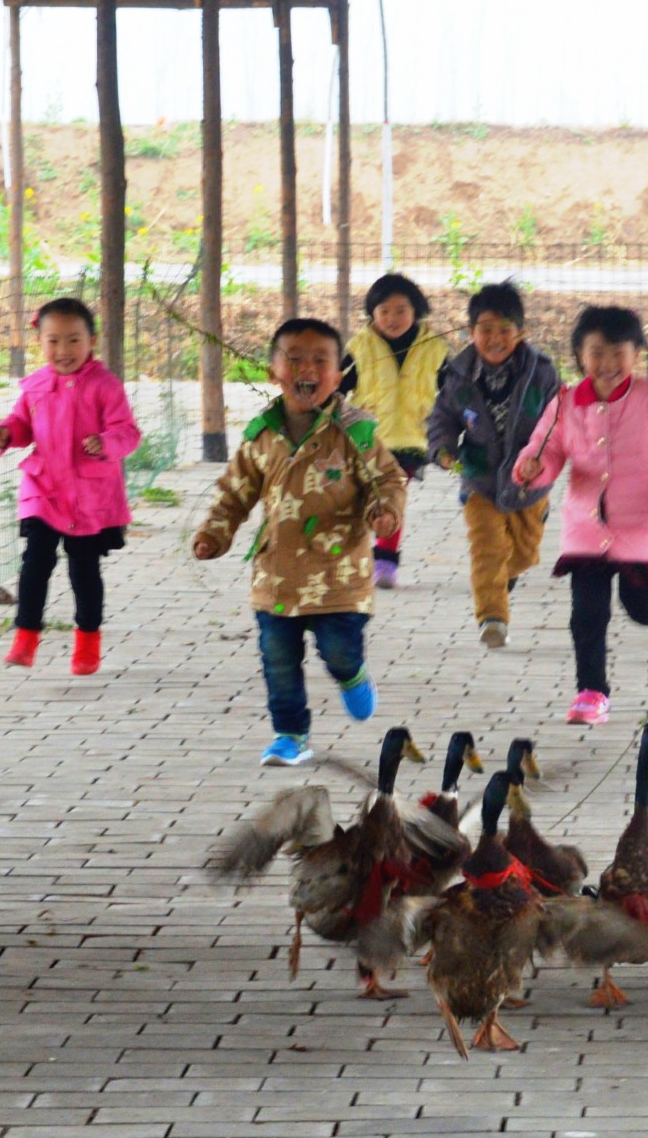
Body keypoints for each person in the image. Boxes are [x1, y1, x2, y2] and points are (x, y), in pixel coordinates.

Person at [191, 317, 408, 767]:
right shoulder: (261, 434)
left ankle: (353, 677)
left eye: (320, 360)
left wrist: (384, 512)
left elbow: (386, 479)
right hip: (277, 579)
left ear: (338, 375)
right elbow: (236, 491)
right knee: (278, 662)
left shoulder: (355, 431)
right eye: (294, 359)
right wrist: (215, 532)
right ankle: (290, 735)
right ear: (274, 372)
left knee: (339, 651)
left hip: (339, 579)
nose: (306, 368)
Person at [513, 305, 648, 727]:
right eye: (596, 354)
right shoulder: (565, 402)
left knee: (646, 611)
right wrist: (531, 467)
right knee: (587, 614)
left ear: (636, 353)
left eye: (617, 354)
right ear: (579, 356)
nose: (607, 364)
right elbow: (546, 448)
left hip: (644, 528)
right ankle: (591, 691)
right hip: (586, 529)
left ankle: (645, 594)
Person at [0, 297, 142, 676]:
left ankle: (88, 641)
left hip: (90, 496)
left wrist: (107, 443)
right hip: (44, 487)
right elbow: (22, 423)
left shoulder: (105, 386)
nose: (63, 350)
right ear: (39, 341)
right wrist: (6, 432)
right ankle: (25, 636)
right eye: (53, 341)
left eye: (74, 340)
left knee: (83, 569)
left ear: (93, 341)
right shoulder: (36, 385)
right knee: (35, 562)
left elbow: (128, 433)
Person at [426, 280, 562, 650]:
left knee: (522, 554)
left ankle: (504, 575)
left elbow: (559, 421)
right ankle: (493, 618)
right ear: (471, 333)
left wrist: (543, 458)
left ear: (522, 333)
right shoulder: (458, 376)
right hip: (479, 479)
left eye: (505, 330)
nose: (495, 338)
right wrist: (441, 449)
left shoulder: (543, 373)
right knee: (486, 550)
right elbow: (442, 418)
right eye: (485, 330)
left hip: (530, 484)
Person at [343, 272, 449, 589]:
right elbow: (337, 387)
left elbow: (455, 393)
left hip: (410, 441)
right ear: (372, 313)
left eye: (401, 310)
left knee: (392, 499)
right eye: (384, 311)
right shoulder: (359, 348)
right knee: (362, 500)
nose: (392, 318)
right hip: (366, 440)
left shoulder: (435, 349)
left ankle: (385, 563)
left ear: (416, 311)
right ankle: (352, 554)